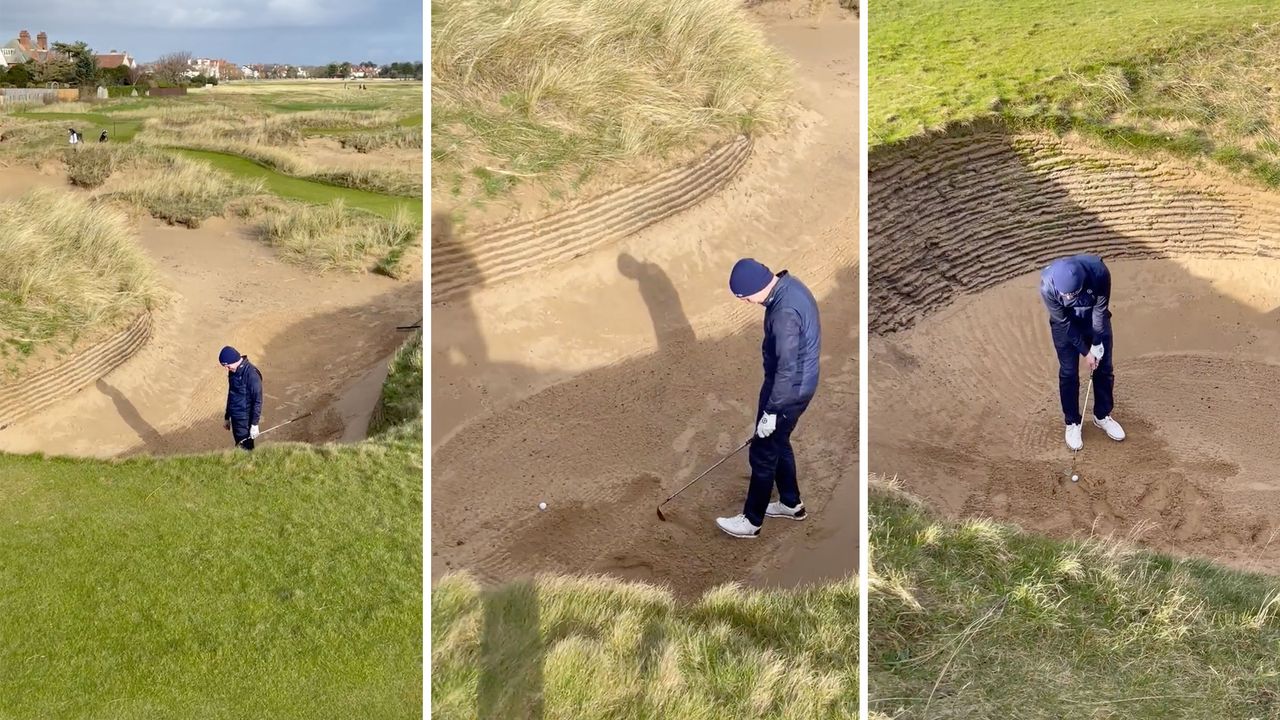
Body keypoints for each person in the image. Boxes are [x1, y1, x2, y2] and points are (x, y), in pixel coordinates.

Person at [716, 258, 821, 538]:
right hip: (796, 385)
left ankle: (751, 522)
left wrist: (771, 412)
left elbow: (786, 368)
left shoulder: (783, 313)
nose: (748, 303)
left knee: (762, 453)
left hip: (787, 392)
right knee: (778, 441)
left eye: (747, 298)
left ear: (758, 287)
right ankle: (790, 503)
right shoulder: (789, 285)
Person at [1040, 254, 1125, 450]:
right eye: (1066, 295)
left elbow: (1099, 310)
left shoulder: (1099, 273)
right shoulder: (1047, 286)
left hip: (1094, 321)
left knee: (1104, 368)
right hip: (1066, 327)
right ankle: (1072, 422)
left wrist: (1096, 342)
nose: (1069, 298)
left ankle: (1102, 416)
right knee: (1069, 373)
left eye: (1073, 294)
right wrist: (1086, 352)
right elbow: (1064, 322)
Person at [219, 345, 263, 450]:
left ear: (235, 360)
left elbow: (257, 401)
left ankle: (249, 466)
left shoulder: (251, 375)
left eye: (228, 366)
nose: (227, 369)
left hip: (245, 420)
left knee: (245, 449)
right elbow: (231, 394)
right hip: (236, 418)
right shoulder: (232, 372)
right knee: (239, 446)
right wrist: (227, 417)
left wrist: (254, 424)